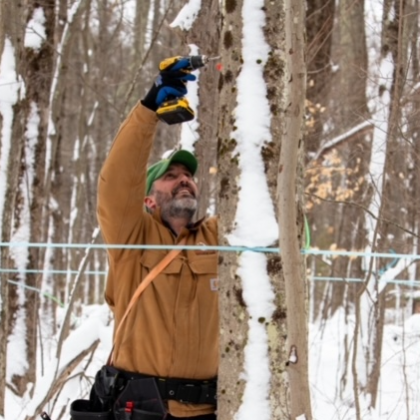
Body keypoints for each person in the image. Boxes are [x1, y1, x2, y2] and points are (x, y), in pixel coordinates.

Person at [96, 56, 218, 420]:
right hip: (140, 410)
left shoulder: (218, 236)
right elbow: (117, 182)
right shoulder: (131, 235)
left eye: (188, 175)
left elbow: (281, 229)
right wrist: (150, 108)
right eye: (171, 175)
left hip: (209, 411)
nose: (184, 179)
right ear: (148, 198)